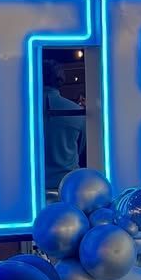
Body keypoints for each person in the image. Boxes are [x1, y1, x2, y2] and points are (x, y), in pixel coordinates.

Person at [43, 59, 86, 196]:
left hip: (31, 185)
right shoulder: (76, 111)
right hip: (68, 186)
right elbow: (81, 147)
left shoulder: (21, 113)